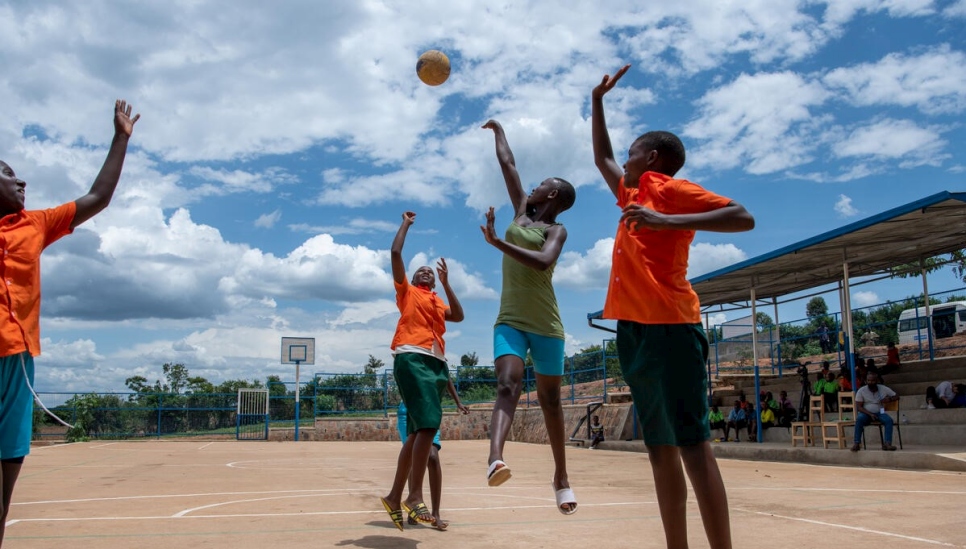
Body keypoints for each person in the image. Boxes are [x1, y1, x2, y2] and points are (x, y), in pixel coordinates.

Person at [593, 63, 755, 549]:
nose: (624, 159)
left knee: (692, 445)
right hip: (635, 332)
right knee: (659, 449)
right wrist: (597, 100)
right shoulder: (630, 193)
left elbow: (742, 217)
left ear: (654, 157)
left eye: (632, 152)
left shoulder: (670, 192)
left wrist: (663, 222)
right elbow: (601, 155)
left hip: (672, 328)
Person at [0, 100, 139, 545]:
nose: (21, 180)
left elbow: (97, 198)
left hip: (15, 360)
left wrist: (120, 138)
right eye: (7, 173)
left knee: (8, 459)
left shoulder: (34, 225)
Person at [479, 119, 577, 515]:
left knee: (551, 401)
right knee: (508, 384)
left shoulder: (557, 229)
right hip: (511, 319)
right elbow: (509, 165)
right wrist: (499, 131)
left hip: (546, 324)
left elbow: (542, 264)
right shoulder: (521, 209)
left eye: (540, 184)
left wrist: (499, 243)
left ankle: (561, 476)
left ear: (552, 193)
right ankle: (495, 460)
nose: (531, 186)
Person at [380, 211, 464, 531]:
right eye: (423, 272)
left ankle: (392, 496)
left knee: (417, 434)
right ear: (414, 280)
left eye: (431, 272)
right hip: (412, 358)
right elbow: (396, 253)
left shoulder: (437, 301)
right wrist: (406, 224)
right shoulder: (407, 293)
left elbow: (458, 314)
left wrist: (447, 283)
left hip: (436, 365)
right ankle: (414, 497)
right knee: (428, 427)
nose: (427, 273)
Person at [395, 379, 469, 530]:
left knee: (433, 457)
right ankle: (414, 505)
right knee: (414, 458)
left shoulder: (438, 357)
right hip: (408, 411)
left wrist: (458, 402)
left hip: (430, 410)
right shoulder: (410, 357)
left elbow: (446, 376)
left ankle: (436, 513)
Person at [851, 371, 899, 452]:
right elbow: (858, 407)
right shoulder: (861, 390)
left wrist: (889, 399)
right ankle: (857, 443)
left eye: (873, 380)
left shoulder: (883, 388)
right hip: (866, 413)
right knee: (859, 419)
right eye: (868, 381)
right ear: (866, 381)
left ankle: (887, 444)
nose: (870, 382)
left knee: (889, 420)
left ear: (877, 381)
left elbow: (897, 396)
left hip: (880, 412)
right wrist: (870, 414)